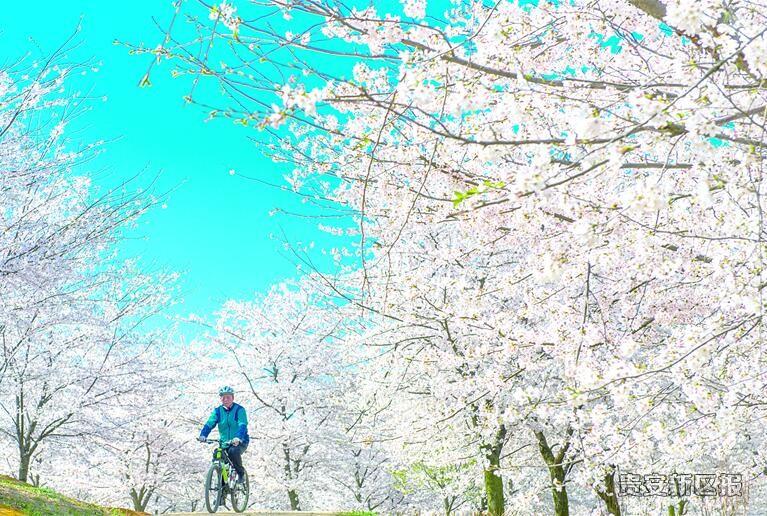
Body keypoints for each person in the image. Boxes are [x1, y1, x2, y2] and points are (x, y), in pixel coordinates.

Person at [198, 385, 250, 483]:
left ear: (232, 398)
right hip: (225, 442)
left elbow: (242, 424)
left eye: (228, 397)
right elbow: (210, 423)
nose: (225, 399)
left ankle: (240, 474)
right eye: (223, 397)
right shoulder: (217, 411)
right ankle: (221, 490)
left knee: (233, 452)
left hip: (240, 441)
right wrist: (203, 435)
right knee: (217, 454)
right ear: (220, 398)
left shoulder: (239, 410)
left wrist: (238, 437)